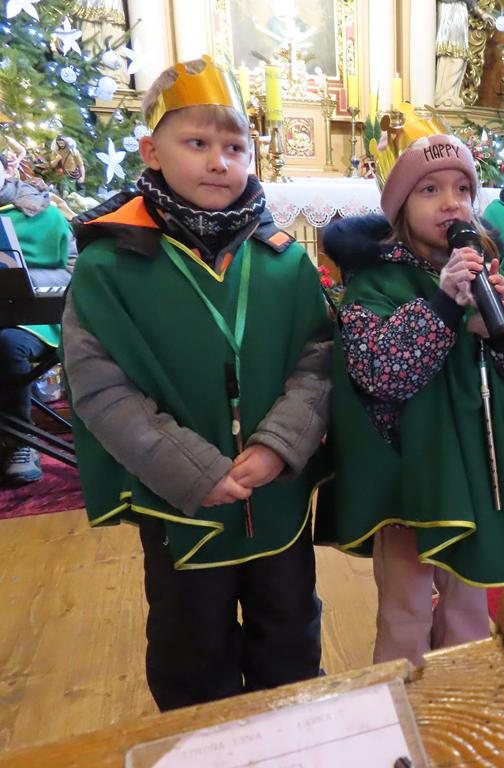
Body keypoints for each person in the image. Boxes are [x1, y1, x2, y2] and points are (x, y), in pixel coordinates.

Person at [61, 56, 332, 711]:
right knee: (192, 652)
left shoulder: (283, 261)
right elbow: (100, 388)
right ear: (152, 151)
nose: (219, 162)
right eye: (197, 143)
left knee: (290, 639)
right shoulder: (111, 265)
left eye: (235, 147)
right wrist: (189, 468)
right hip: (181, 503)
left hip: (275, 496)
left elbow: (320, 361)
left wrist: (278, 446)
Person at [316, 104, 504, 667]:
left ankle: (461, 697)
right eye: (430, 189)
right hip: (407, 477)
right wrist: (443, 309)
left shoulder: (489, 272)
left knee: (469, 605)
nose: (451, 202)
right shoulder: (374, 282)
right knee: (405, 610)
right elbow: (382, 372)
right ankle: (404, 704)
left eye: (462, 188)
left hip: (476, 473)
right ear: (401, 204)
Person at [0, 153, 75, 484]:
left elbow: (74, 271)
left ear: (6, 170)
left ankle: (21, 440)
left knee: (7, 345)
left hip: (34, 319)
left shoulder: (45, 214)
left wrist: (25, 278)